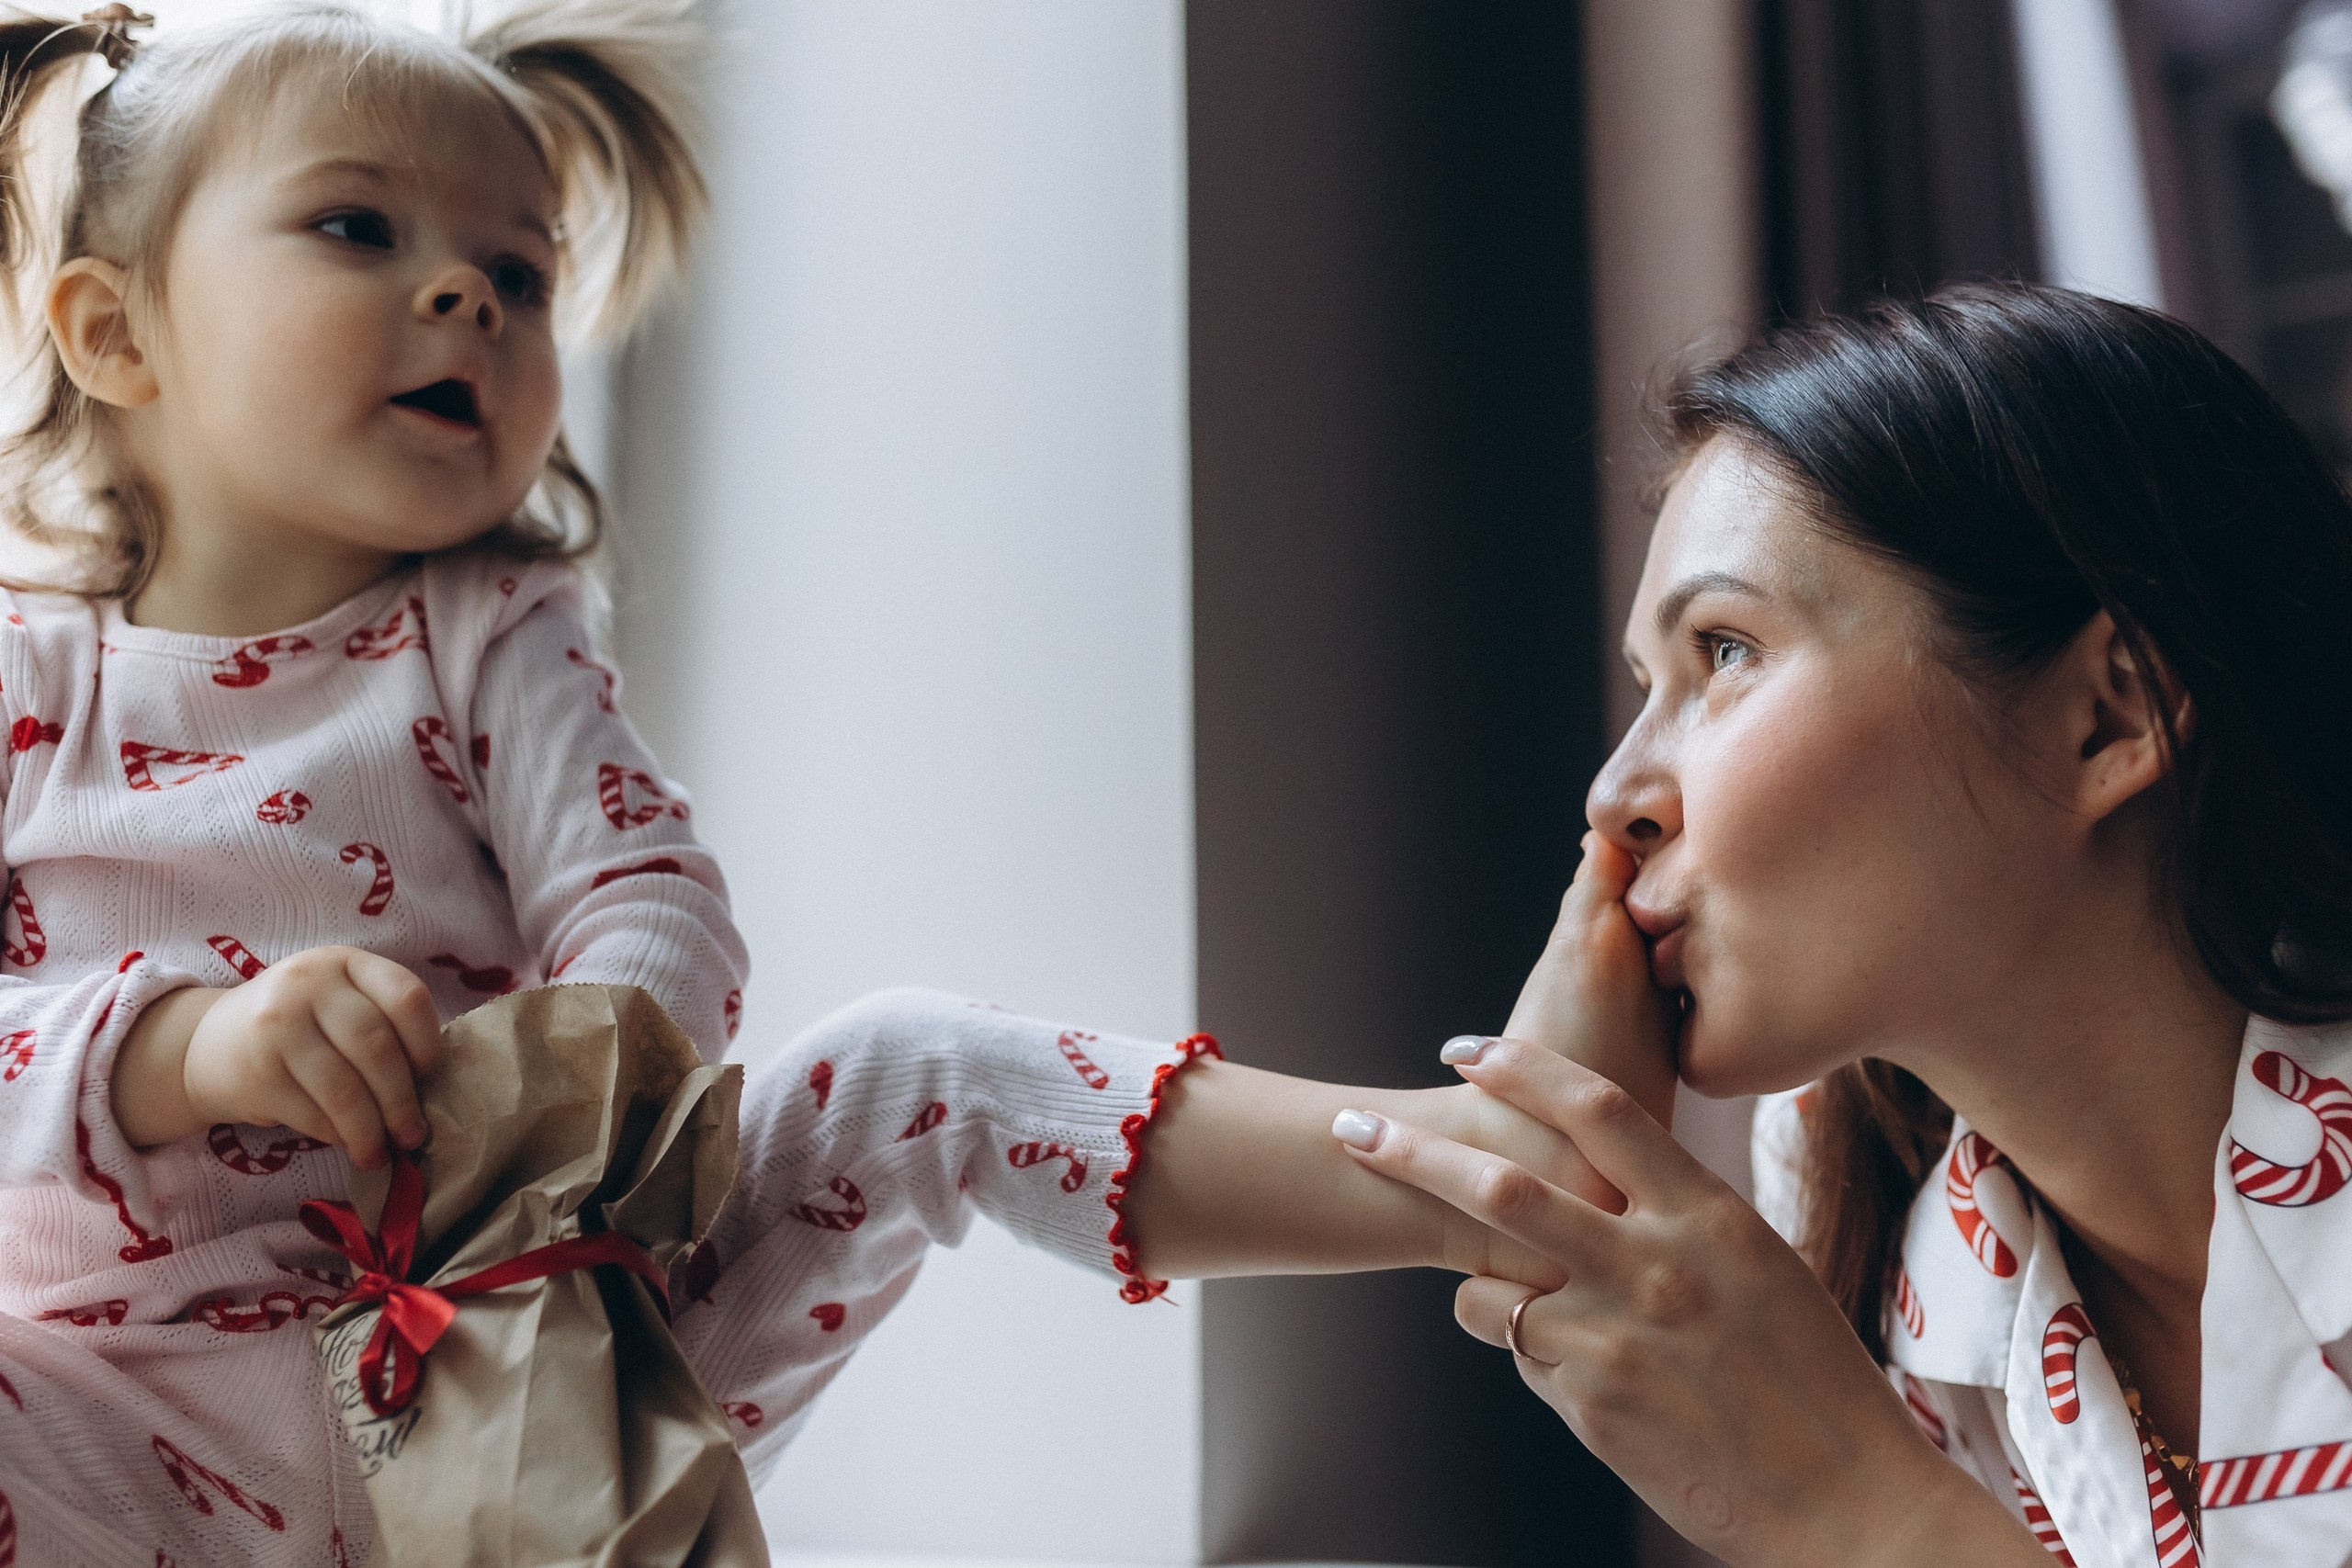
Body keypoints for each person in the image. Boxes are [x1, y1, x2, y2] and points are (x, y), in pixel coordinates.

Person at [0, 6, 1632, 1561]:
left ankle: (1472, 1178)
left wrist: (561, 1137)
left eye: (519, 271)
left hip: (539, 1384)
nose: (469, 298)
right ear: (113, 332)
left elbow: (648, 902)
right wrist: (182, 1051)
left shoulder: (486, 630)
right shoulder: (28, 683)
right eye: (358, 227)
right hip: (117, 1439)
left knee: (914, 1067)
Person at [1317, 285, 2352, 1567]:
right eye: (1649, 687)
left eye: (1724, 652)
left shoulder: (1816, 1325)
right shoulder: (1866, 1196)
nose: (1615, 795)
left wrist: (1860, 1509)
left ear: (2109, 715)